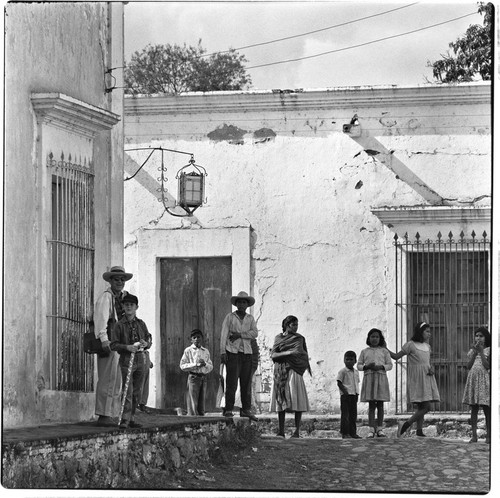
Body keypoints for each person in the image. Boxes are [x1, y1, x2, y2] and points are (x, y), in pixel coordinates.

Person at [93, 265, 132, 426]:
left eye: (122, 279)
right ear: (110, 281)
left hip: (121, 343)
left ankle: (113, 413)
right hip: (110, 342)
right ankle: (103, 414)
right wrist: (104, 339)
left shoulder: (124, 298)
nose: (120, 282)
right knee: (107, 379)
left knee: (118, 380)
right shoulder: (106, 298)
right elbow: (101, 319)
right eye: (116, 279)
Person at [387, 321, 440, 437]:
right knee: (426, 407)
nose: (429, 334)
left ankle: (419, 431)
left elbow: (428, 362)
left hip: (427, 377)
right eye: (427, 331)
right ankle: (406, 424)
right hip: (417, 379)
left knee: (422, 406)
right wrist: (385, 349)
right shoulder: (410, 345)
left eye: (429, 332)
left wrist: (432, 368)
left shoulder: (427, 347)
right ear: (420, 332)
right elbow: (396, 356)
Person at [109, 293, 152, 429]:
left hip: (141, 358)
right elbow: (113, 345)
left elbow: (149, 339)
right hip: (127, 359)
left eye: (131, 305)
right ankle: (124, 419)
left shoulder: (141, 324)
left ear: (136, 307)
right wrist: (127, 347)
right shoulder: (118, 325)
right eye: (126, 305)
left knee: (138, 391)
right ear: (122, 306)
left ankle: (132, 417)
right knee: (127, 390)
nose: (129, 307)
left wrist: (146, 344)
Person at [270, 315, 311, 438]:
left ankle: (297, 431)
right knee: (281, 399)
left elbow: (302, 354)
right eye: (294, 325)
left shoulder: (299, 339)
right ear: (287, 325)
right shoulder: (278, 338)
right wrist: (288, 353)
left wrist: (293, 358)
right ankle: (281, 431)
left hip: (295, 371)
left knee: (296, 399)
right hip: (281, 371)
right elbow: (273, 355)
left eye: (297, 325)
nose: (296, 327)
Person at [220, 291, 258, 421]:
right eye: (240, 302)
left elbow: (254, 333)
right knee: (231, 382)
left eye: (244, 302)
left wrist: (240, 334)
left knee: (246, 383)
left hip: (247, 353)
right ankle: (228, 409)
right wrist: (222, 352)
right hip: (233, 352)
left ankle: (246, 410)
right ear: (236, 304)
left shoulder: (250, 318)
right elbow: (224, 335)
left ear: (247, 305)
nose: (242, 304)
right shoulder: (230, 317)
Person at [357, 328, 392, 438]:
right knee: (372, 405)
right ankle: (371, 429)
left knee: (380, 405)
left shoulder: (384, 351)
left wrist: (381, 367)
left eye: (377, 337)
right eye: (372, 337)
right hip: (370, 379)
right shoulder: (364, 352)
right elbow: (358, 365)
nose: (375, 339)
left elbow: (390, 365)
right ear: (368, 338)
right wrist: (367, 367)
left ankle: (380, 428)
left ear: (380, 338)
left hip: (381, 379)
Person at [462, 326, 491, 443]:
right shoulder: (472, 350)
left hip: (483, 380)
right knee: (473, 408)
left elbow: (487, 366)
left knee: (486, 409)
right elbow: (468, 366)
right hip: (473, 380)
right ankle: (474, 435)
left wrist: (481, 352)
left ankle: (489, 436)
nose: (478, 338)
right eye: (477, 336)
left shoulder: (489, 350)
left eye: (481, 336)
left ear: (486, 338)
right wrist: (474, 353)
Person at [180, 329, 214, 416]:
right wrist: (195, 365)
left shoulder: (205, 351)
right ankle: (193, 419)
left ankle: (201, 419)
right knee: (192, 402)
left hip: (203, 377)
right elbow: (182, 365)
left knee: (201, 401)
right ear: (191, 339)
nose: (196, 339)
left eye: (198, 337)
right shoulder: (188, 351)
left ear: (202, 338)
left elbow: (211, 366)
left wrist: (205, 364)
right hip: (193, 378)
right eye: (194, 337)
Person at [337, 350, 361, 439]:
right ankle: (345, 433)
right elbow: (339, 382)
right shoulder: (342, 371)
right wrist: (344, 391)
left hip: (353, 396)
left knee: (353, 415)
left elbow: (356, 384)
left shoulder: (356, 372)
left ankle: (353, 433)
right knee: (345, 416)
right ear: (344, 360)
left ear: (355, 361)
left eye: (351, 360)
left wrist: (357, 394)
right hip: (345, 396)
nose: (349, 361)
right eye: (347, 359)